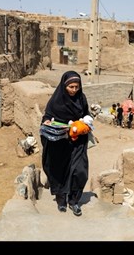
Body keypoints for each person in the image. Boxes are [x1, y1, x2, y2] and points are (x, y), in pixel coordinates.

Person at [40, 71, 90, 217]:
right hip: (60, 142)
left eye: (77, 87)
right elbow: (47, 115)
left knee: (80, 171)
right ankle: (61, 199)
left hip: (78, 141)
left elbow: (86, 114)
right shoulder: (56, 100)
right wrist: (47, 121)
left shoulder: (82, 98)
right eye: (71, 87)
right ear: (64, 86)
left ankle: (74, 201)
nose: (74, 90)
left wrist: (85, 123)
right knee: (59, 171)